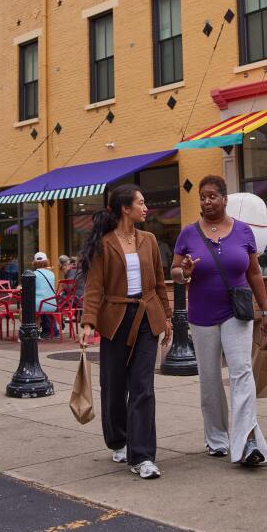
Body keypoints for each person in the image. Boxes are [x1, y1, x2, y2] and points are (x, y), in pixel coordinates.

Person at [172, 175, 267, 467]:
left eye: (213, 196)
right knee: (210, 379)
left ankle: (244, 441)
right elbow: (176, 273)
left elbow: (254, 273)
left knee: (241, 373)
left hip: (236, 312)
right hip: (202, 315)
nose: (207, 201)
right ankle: (217, 438)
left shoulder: (243, 231)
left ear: (225, 199)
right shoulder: (188, 234)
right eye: (203, 196)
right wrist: (186, 271)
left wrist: (264, 311)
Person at [78, 184, 173, 480]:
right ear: (125, 208)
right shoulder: (105, 244)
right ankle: (118, 440)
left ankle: (143, 455)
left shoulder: (149, 240)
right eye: (141, 203)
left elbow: (159, 281)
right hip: (115, 319)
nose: (146, 208)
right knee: (115, 385)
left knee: (143, 387)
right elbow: (94, 287)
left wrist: (167, 318)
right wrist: (88, 323)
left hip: (147, 318)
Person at [32, 252, 60, 338]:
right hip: (52, 304)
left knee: (26, 308)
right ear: (46, 261)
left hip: (39, 305)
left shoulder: (33, 274)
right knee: (43, 303)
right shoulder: (52, 274)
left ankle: (32, 331)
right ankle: (51, 331)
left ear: (34, 263)